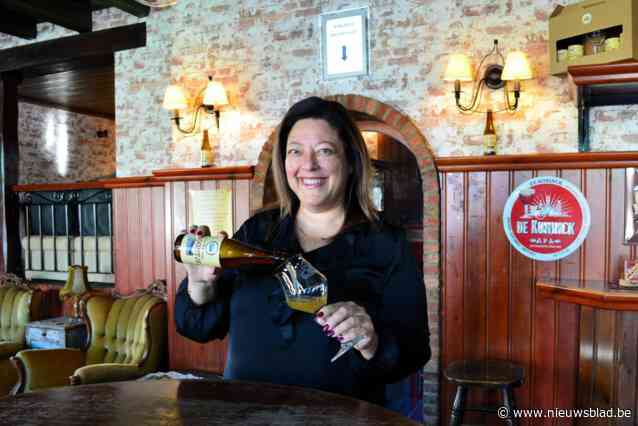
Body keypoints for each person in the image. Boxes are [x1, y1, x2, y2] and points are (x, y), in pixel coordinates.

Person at [174, 96, 430, 406]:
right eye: (295, 151)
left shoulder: (386, 244)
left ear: (350, 161)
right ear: (284, 162)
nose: (308, 165)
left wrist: (371, 340)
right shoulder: (257, 233)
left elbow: (414, 351)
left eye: (324, 150)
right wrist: (200, 285)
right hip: (245, 414)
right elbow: (198, 328)